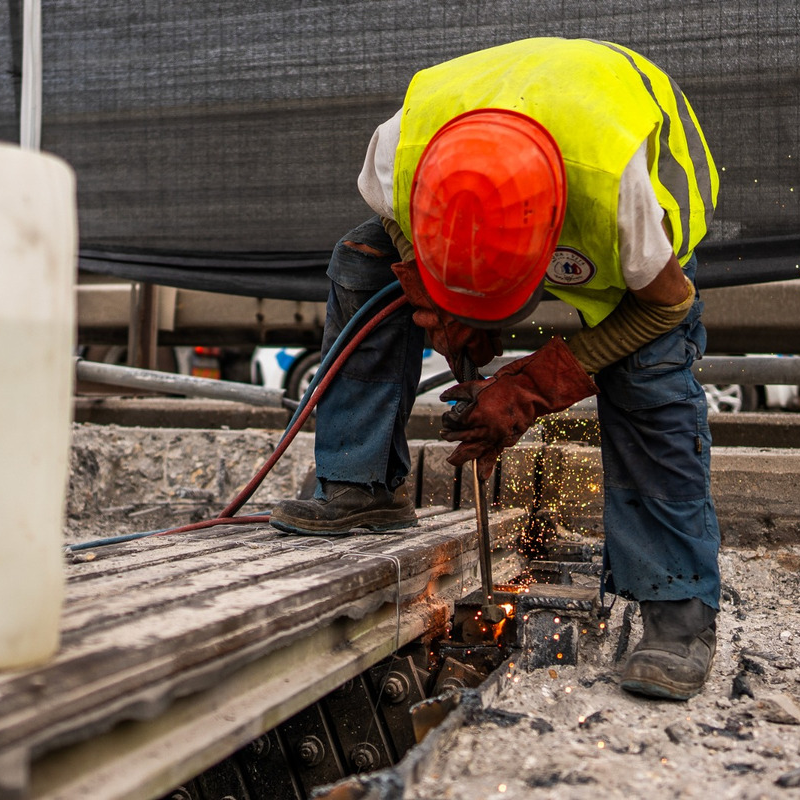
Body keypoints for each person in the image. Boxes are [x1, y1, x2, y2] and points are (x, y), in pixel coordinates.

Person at [270, 37, 721, 700]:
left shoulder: (620, 196)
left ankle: (679, 611)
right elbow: (393, 225)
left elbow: (666, 304)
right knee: (363, 262)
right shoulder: (398, 148)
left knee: (647, 375)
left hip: (616, 178)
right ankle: (360, 486)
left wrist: (535, 385)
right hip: (489, 150)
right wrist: (430, 293)